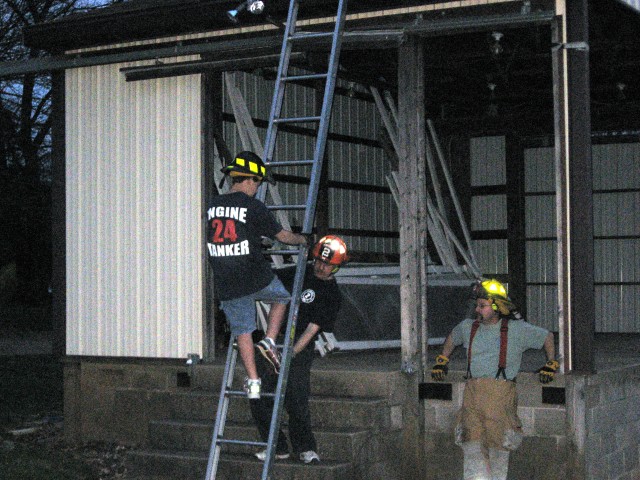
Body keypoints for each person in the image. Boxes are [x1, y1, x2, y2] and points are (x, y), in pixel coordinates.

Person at [431, 279, 559, 480]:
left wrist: (551, 363)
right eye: (477, 305)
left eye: (482, 306)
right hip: (472, 397)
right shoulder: (468, 327)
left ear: (497, 307)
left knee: (498, 449)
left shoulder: (517, 330)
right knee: (471, 446)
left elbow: (547, 337)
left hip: (499, 398)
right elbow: (452, 337)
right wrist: (442, 360)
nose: (477, 310)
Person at [206, 151, 308, 400]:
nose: (258, 188)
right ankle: (270, 341)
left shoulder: (210, 205)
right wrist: (304, 240)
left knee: (243, 330)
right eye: (258, 182)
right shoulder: (253, 206)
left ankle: (253, 382)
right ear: (249, 179)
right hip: (252, 273)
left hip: (225, 277)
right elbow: (282, 236)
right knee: (282, 298)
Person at [250, 235, 348, 464]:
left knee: (296, 395)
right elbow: (269, 282)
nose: (321, 267)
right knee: (258, 394)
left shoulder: (332, 295)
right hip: (276, 341)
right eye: (319, 262)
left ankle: (305, 447)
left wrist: (292, 354)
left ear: (337, 268)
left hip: (300, 345)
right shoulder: (298, 273)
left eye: (327, 265)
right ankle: (277, 447)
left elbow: (313, 329)